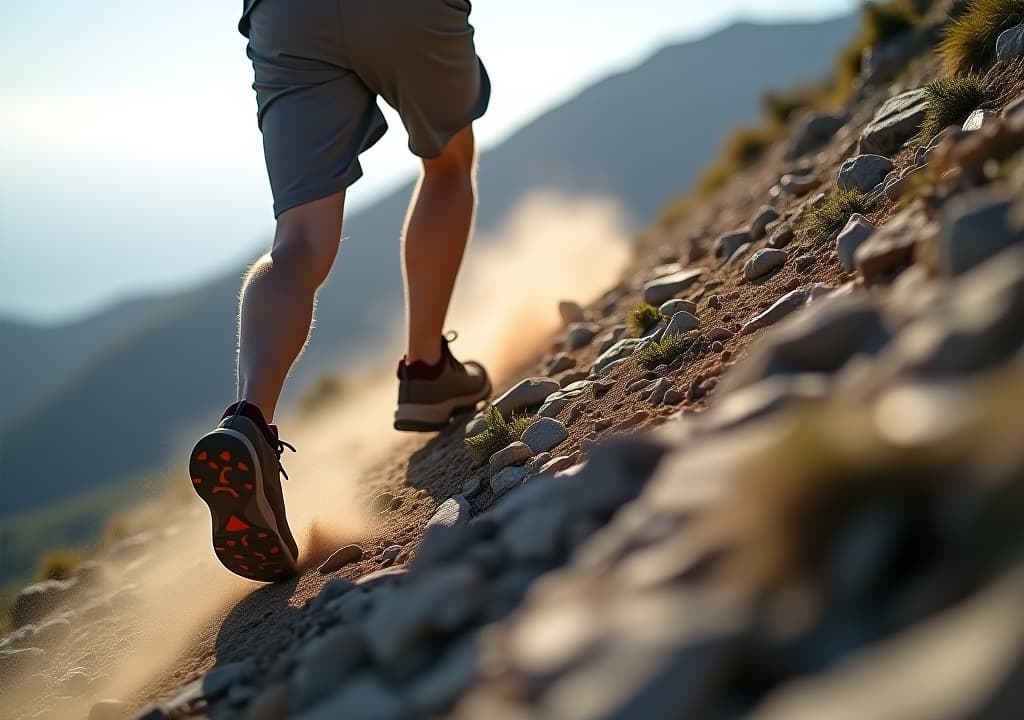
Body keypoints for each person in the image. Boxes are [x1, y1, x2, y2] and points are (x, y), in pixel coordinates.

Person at [188, 0, 492, 582]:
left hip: (286, 15)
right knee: (449, 165)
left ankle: (249, 420)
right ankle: (427, 369)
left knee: (299, 242)